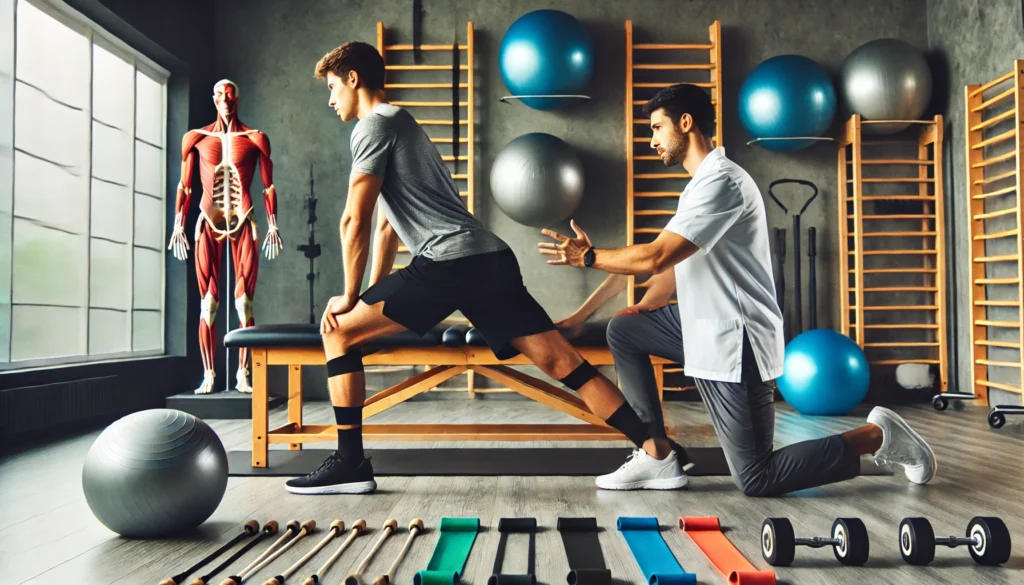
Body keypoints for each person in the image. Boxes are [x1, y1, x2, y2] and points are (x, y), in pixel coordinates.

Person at [283, 41, 689, 495]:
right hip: (488, 259)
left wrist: (347, 296)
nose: (331, 98)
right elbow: (384, 230)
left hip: (447, 263)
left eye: (334, 87)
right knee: (561, 361)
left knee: (336, 331)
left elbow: (352, 220)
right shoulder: (401, 122)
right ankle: (659, 453)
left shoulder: (371, 127)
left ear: (354, 79)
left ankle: (350, 463)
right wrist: (368, 297)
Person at [538, 83, 938, 495]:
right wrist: (618, 312)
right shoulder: (698, 186)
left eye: (657, 128)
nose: (652, 140)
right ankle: (657, 455)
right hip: (702, 325)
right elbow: (675, 267)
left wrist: (588, 257)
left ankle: (880, 436)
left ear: (686, 123)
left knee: (757, 477)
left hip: (736, 340)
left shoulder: (722, 183)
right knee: (624, 330)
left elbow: (656, 257)